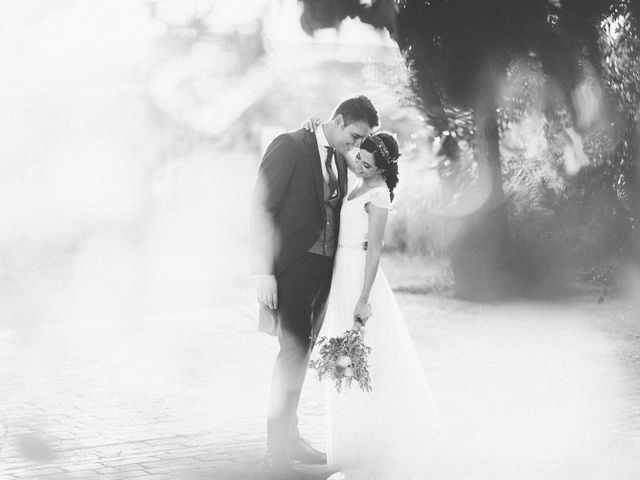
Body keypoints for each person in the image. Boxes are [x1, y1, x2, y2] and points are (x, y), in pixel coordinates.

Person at [250, 96, 379, 477]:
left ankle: (292, 438)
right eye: (354, 136)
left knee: (303, 354)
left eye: (362, 141)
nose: (356, 146)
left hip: (324, 271)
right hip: (291, 268)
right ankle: (276, 449)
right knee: (290, 354)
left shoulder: (340, 156)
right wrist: (264, 272)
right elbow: (261, 206)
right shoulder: (291, 144)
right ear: (338, 120)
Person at [309, 130, 445, 479]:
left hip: (358, 277)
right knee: (344, 363)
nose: (362, 167)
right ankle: (352, 442)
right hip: (341, 273)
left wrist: (364, 298)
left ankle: (373, 446)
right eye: (361, 161)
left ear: (382, 166)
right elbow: (343, 149)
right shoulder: (358, 182)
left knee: (362, 359)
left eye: (369, 165)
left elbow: (376, 250)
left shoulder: (379, 195)